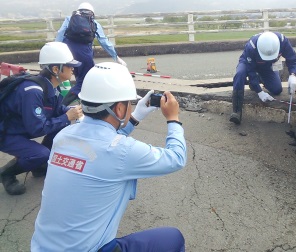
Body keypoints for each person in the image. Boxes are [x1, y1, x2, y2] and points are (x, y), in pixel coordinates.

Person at [31, 62, 187, 252]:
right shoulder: (122, 151)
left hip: (41, 247)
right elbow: (176, 157)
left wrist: (135, 116)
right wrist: (173, 119)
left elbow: (102, 146)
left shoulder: (63, 137)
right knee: (172, 238)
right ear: (120, 109)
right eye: (129, 103)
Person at [0, 42, 84, 195]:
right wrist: (66, 116)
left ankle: (38, 165)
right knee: (41, 153)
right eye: (69, 65)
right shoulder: (33, 92)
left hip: (20, 127)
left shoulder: (51, 86)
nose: (73, 69)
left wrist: (72, 112)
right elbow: (37, 128)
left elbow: (57, 110)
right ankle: (6, 173)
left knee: (64, 123)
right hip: (6, 133)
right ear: (55, 69)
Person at [55, 2, 127, 106]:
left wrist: (56, 50)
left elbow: (60, 33)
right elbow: (104, 42)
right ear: (92, 13)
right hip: (84, 54)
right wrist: (116, 57)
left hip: (67, 53)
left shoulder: (69, 19)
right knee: (84, 81)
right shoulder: (94, 23)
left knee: (60, 77)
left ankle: (77, 103)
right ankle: (63, 105)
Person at [230, 31, 296, 124]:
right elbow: (251, 71)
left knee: (277, 89)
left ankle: (259, 79)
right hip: (248, 63)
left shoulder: (283, 41)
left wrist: (293, 74)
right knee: (240, 74)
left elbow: (293, 59)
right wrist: (259, 92)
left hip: (267, 66)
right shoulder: (252, 46)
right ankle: (237, 111)